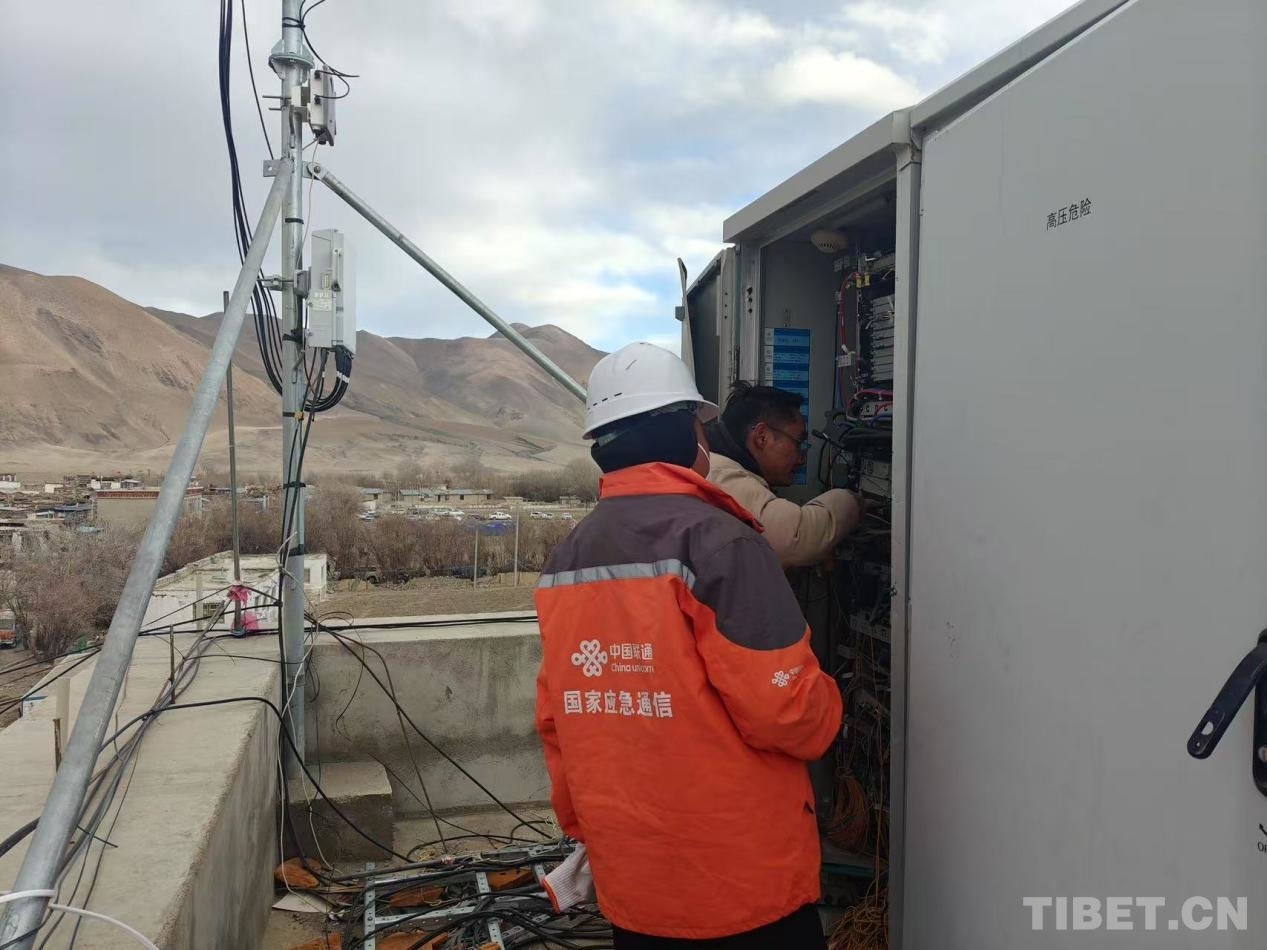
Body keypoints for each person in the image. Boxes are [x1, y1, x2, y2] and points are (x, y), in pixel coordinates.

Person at [535, 342, 841, 949]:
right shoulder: (723, 543)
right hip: (740, 884)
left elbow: (556, 722)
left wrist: (594, 831)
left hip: (635, 885)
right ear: (685, 434)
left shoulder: (567, 558)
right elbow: (788, 713)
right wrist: (834, 705)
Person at [705, 382, 861, 568]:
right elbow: (797, 538)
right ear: (762, 437)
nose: (801, 459)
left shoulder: (715, 463)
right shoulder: (721, 474)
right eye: (798, 443)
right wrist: (854, 500)